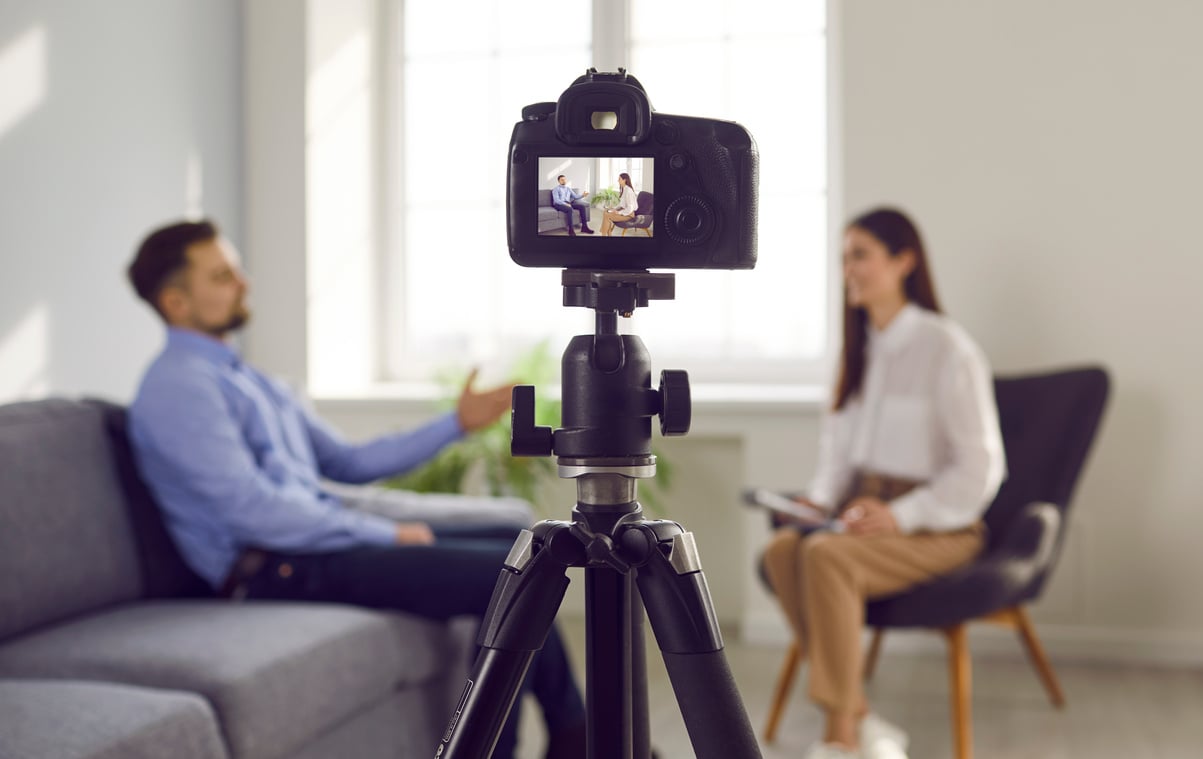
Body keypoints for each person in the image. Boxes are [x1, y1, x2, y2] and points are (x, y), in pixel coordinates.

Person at [124, 219, 586, 759]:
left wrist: (456, 424)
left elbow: (348, 461)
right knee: (503, 576)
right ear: (176, 302)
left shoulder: (245, 379)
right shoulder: (178, 388)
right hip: (271, 567)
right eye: (222, 275)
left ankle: (575, 740)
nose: (244, 282)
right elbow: (253, 511)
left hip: (308, 545)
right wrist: (387, 534)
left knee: (529, 545)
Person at [760, 208, 1006, 759]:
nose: (849, 268)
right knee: (782, 550)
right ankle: (861, 715)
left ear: (904, 261)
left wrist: (900, 515)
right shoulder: (857, 353)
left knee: (827, 557)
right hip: (859, 513)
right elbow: (838, 455)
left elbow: (980, 468)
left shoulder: (948, 349)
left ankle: (840, 737)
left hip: (938, 523)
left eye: (861, 255)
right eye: (845, 257)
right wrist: (815, 502)